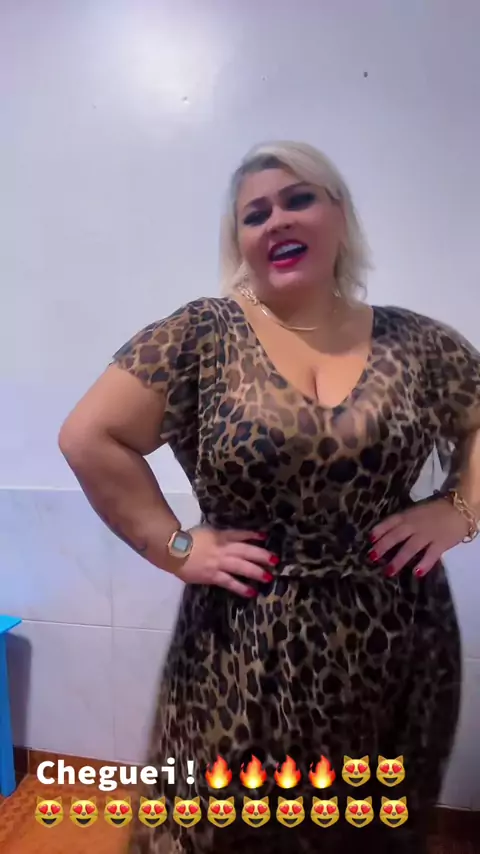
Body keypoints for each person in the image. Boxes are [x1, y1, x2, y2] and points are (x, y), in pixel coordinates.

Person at [59, 140, 480, 854]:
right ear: (241, 242)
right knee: (222, 826)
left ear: (339, 215)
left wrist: (458, 511)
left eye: (298, 199)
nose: (277, 220)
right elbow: (88, 437)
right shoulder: (202, 334)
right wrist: (176, 547)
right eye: (255, 214)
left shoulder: (417, 342)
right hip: (243, 645)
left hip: (398, 642)